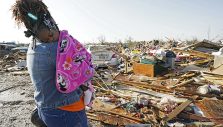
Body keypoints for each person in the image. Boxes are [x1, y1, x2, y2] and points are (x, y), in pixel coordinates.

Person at [11, 0, 93, 126]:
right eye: (54, 29)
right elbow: (83, 72)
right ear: (49, 28)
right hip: (66, 110)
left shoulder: (33, 46)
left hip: (45, 107)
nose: (56, 34)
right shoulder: (56, 50)